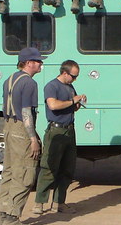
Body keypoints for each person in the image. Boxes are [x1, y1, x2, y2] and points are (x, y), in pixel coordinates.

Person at [0, 46, 45, 225]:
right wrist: (33, 138)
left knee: (9, 171)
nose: (41, 64)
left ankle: (2, 215)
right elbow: (26, 112)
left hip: (8, 127)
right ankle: (12, 218)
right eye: (38, 61)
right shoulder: (30, 83)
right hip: (21, 129)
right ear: (28, 63)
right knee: (25, 173)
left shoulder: (9, 79)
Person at [33, 60, 87, 215]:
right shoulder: (51, 86)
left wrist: (78, 103)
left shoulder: (70, 87)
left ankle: (59, 203)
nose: (75, 79)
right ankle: (39, 203)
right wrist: (72, 101)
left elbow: (72, 107)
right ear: (64, 73)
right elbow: (53, 105)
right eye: (73, 76)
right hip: (55, 131)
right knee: (49, 167)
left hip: (69, 130)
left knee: (67, 168)